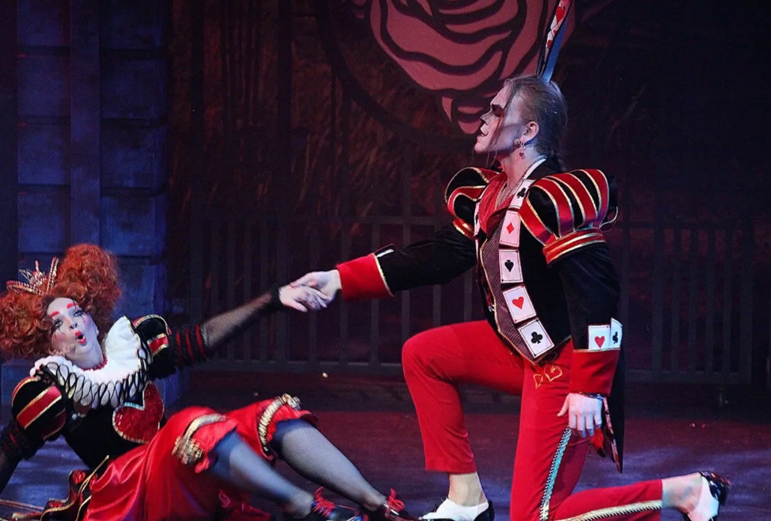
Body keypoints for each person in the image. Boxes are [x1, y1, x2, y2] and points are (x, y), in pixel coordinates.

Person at [292, 76, 729, 521]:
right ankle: (466, 499)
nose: (485, 118)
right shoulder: (491, 197)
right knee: (424, 355)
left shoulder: (555, 197)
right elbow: (434, 257)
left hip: (566, 363)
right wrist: (338, 280)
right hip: (523, 351)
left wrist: (589, 387)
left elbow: (597, 289)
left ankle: (685, 492)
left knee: (534, 515)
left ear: (528, 132)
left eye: (498, 111)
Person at [0, 244, 412, 521]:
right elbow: (10, 451)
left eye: (76, 312)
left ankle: (377, 506)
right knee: (190, 422)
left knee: (271, 415)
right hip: (132, 494)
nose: (74, 324)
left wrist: (271, 300)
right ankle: (305, 509)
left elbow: (202, 339)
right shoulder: (51, 389)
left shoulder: (132, 347)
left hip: (183, 460)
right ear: (48, 342)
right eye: (59, 325)